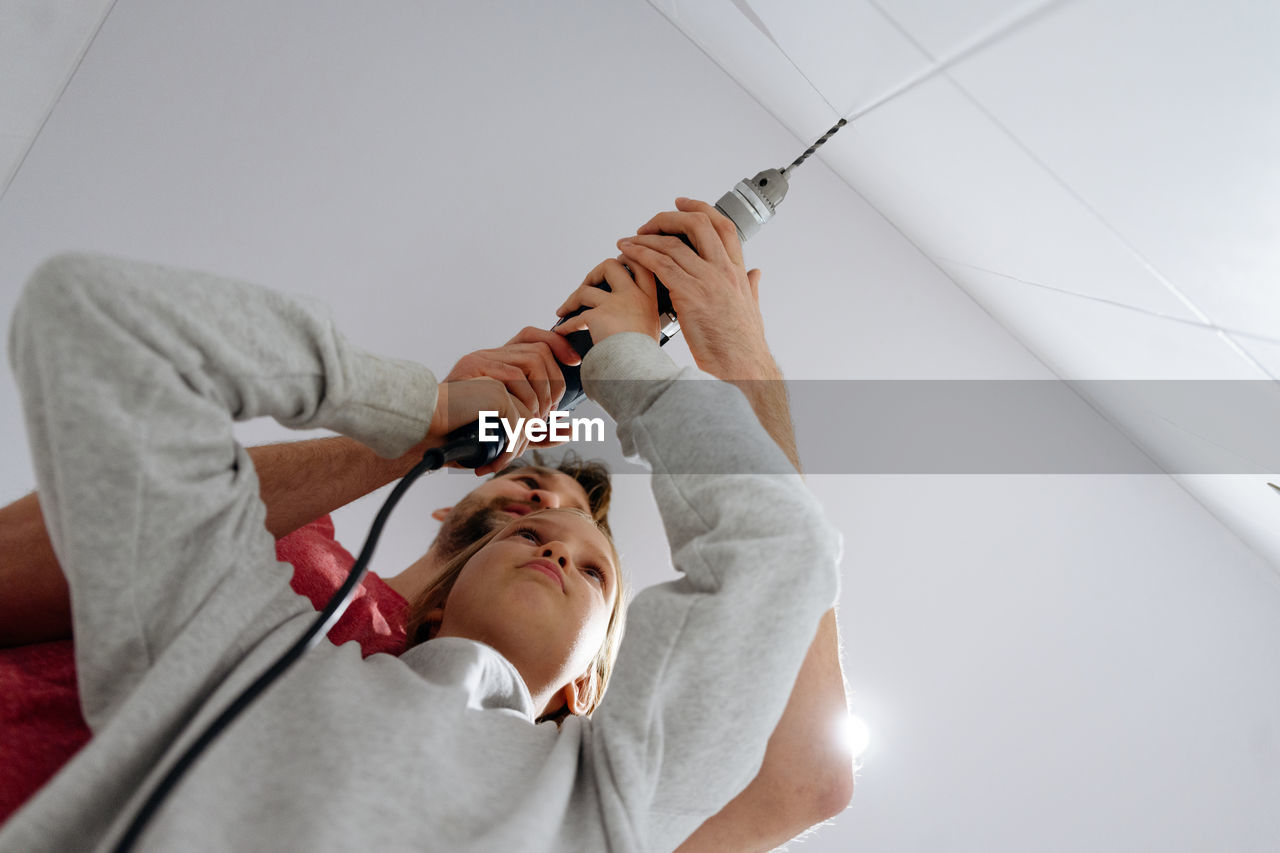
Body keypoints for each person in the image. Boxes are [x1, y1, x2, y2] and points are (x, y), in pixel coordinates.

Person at [0, 200, 850, 851]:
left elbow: (781, 559)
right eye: (532, 502)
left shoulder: (602, 800)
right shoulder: (254, 625)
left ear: (590, 687)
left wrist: (666, 365)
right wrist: (424, 411)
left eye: (595, 571)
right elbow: (93, 321)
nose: (553, 529)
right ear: (431, 601)